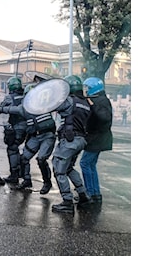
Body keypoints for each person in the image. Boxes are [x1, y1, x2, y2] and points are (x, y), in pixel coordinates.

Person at [0, 83, 56, 195]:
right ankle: (27, 180)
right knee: (24, 158)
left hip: (48, 136)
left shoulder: (46, 105)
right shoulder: (24, 108)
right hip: (35, 136)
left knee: (41, 159)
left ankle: (47, 183)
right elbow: (10, 109)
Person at [50, 75, 93, 214]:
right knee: (68, 168)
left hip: (70, 141)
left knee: (58, 168)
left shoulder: (69, 101)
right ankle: (84, 196)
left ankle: (67, 202)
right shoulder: (85, 103)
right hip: (80, 140)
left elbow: (52, 105)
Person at [80, 77, 113, 203]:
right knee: (91, 165)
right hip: (98, 138)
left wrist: (93, 106)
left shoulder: (100, 100)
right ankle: (95, 193)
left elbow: (104, 117)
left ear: (94, 88)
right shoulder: (100, 99)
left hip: (97, 138)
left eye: (87, 88)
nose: (86, 90)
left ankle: (90, 193)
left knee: (85, 163)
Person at [0, 76, 27, 185]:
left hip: (16, 126)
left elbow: (0, 109)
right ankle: (24, 174)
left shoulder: (9, 97)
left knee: (12, 149)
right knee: (25, 152)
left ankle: (14, 175)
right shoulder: (26, 96)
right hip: (28, 127)